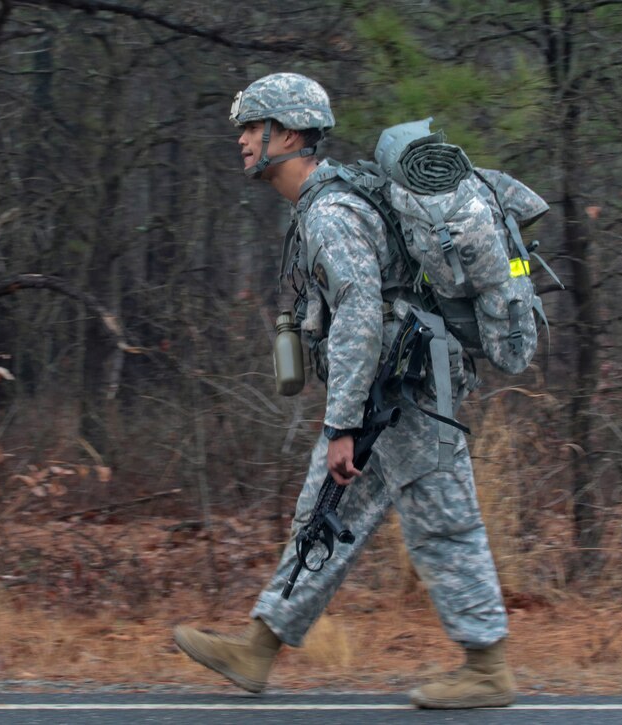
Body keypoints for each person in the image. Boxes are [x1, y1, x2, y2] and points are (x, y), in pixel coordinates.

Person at [173, 72, 514, 710]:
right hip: (388, 396)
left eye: (253, 127)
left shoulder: (330, 212)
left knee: (443, 525)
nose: (243, 140)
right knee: (323, 515)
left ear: (290, 133)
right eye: (244, 128)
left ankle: (488, 668)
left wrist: (340, 426)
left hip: (409, 397)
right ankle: (259, 646)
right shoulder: (324, 205)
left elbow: (359, 313)